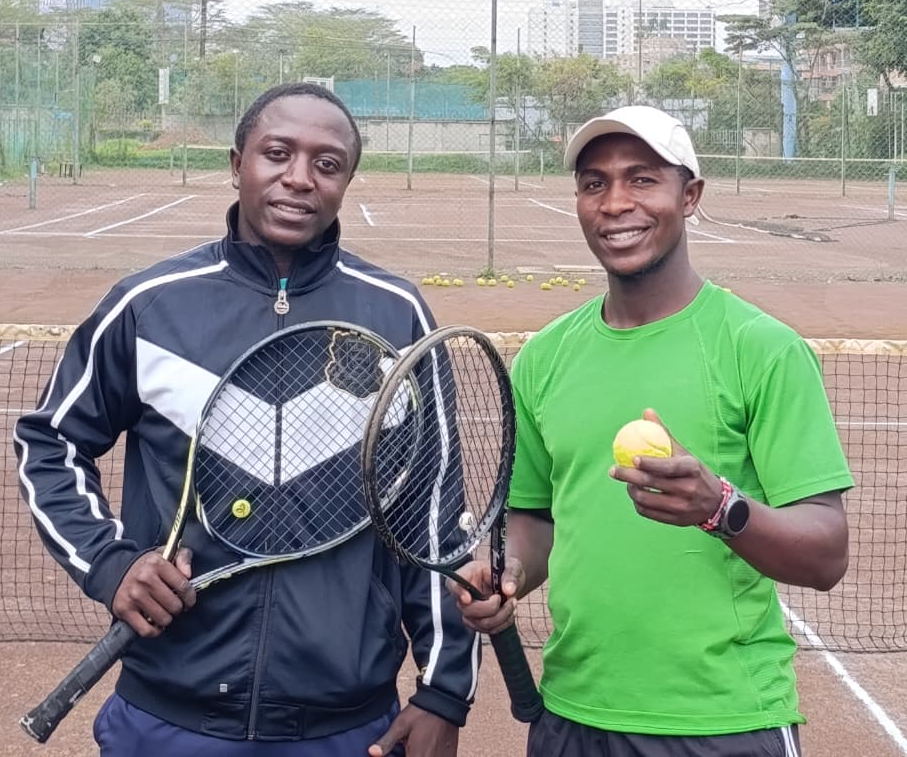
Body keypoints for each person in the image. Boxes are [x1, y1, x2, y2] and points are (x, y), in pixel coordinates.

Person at [14, 82, 477, 757]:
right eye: (277, 153)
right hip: (165, 718)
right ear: (237, 164)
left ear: (347, 179)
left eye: (327, 163)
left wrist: (443, 688)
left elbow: (429, 517)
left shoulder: (397, 315)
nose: (299, 178)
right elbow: (50, 440)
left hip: (348, 727)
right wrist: (111, 563)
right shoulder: (149, 305)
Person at [448, 105, 852, 757]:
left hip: (722, 724)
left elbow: (825, 552)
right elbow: (533, 520)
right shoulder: (545, 356)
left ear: (688, 195)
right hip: (571, 717)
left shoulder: (761, 348)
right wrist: (509, 571)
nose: (614, 203)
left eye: (641, 179)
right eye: (593, 182)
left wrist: (718, 508)